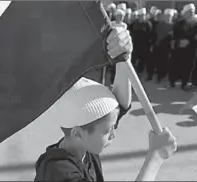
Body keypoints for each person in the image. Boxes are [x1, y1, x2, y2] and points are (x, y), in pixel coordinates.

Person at [34, 25, 177, 181]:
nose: (114, 134)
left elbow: (118, 105)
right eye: (109, 130)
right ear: (78, 133)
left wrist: (122, 58)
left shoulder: (81, 145)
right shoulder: (61, 174)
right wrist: (156, 157)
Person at [151, 8, 174, 83]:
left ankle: (164, 74)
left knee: (166, 61)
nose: (168, 17)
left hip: (168, 46)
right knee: (159, 60)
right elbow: (157, 34)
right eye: (167, 16)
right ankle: (159, 75)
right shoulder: (160, 25)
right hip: (159, 45)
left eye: (169, 16)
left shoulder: (173, 25)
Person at [131, 8, 153, 74]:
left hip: (145, 45)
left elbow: (151, 34)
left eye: (143, 15)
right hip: (135, 44)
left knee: (142, 60)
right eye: (140, 15)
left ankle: (140, 72)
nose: (141, 17)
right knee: (134, 59)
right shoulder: (134, 23)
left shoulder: (148, 24)